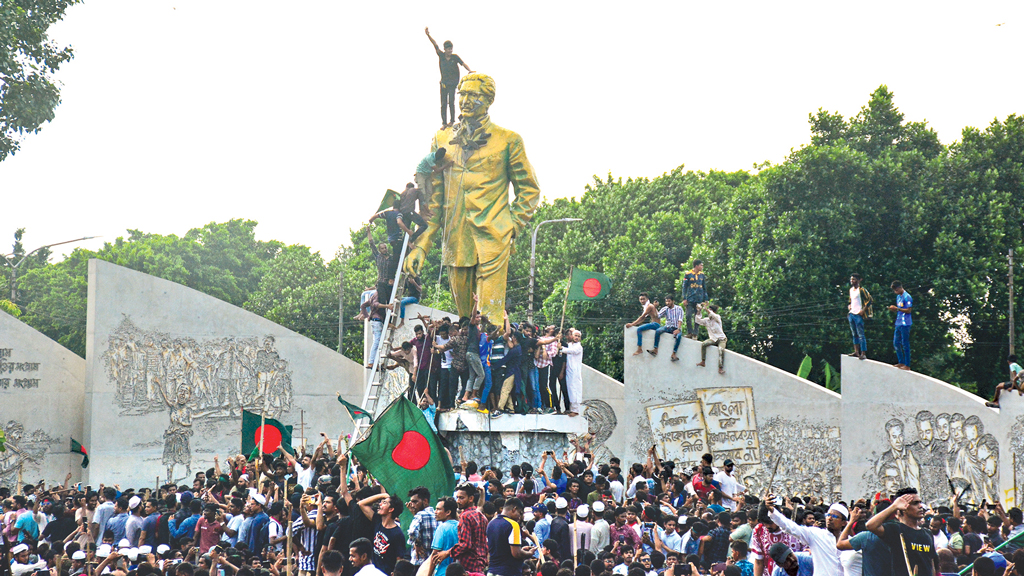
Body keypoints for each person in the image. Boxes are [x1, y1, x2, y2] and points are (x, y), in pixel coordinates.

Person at [404, 73, 542, 321]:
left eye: (474, 95)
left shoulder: (508, 140)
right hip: (456, 240)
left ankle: (492, 354)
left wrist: (511, 226)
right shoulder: (442, 139)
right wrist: (421, 247)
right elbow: (433, 200)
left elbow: (529, 190)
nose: (466, 100)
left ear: (489, 100)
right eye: (462, 94)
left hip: (493, 238)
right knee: (466, 320)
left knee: (489, 319)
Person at [765, 494, 847, 576]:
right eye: (828, 515)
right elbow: (792, 528)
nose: (829, 518)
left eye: (834, 516)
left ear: (844, 522)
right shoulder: (816, 535)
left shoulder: (849, 543)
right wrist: (773, 512)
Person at [864, 489, 939, 576]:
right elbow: (870, 525)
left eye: (920, 502)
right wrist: (894, 506)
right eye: (915, 503)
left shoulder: (927, 533)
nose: (920, 506)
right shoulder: (895, 529)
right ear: (903, 507)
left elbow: (931, 564)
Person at [424, 28, 473, 128]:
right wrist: (428, 35)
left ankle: (452, 121)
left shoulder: (455, 57)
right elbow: (435, 44)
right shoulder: (441, 55)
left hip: (453, 83)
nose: (450, 51)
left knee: (451, 102)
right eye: (448, 49)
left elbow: (463, 64)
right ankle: (444, 123)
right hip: (444, 83)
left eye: (451, 49)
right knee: (443, 103)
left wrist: (470, 70)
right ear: (445, 49)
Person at [438, 484, 487, 574]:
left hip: (469, 564)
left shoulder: (465, 516)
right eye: (457, 498)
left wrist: (447, 553)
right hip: (480, 564)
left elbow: (465, 544)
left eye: (461, 498)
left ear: (471, 498)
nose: (458, 501)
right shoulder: (481, 515)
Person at [357, 492, 407, 574]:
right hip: (373, 571)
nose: (380, 504)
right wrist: (383, 495)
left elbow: (399, 559)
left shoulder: (397, 534)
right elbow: (361, 504)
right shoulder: (378, 521)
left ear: (391, 509)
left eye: (384, 503)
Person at [488, 498, 538, 576]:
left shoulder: (491, 523)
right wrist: (529, 553)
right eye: (520, 513)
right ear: (514, 509)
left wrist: (521, 550)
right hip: (508, 571)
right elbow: (516, 553)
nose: (520, 517)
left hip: (491, 571)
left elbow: (500, 549)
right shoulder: (513, 525)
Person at [648, 294, 685, 361]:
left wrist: (678, 329)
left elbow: (680, 320)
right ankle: (655, 349)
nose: (667, 303)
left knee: (678, 337)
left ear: (673, 301)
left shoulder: (679, 308)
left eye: (669, 301)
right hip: (668, 327)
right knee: (658, 331)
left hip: (676, 327)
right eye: (666, 301)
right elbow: (657, 316)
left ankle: (674, 354)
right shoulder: (665, 309)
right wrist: (655, 307)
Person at [406, 487, 436, 567]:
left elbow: (412, 532)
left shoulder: (420, 515)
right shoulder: (437, 514)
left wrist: (417, 543)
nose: (412, 505)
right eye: (411, 502)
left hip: (419, 561)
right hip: (433, 562)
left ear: (425, 501)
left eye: (415, 502)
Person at [694, 303, 727, 374]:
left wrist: (706, 309)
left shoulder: (717, 317)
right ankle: (703, 361)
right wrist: (699, 311)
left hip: (721, 339)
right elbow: (698, 321)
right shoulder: (707, 320)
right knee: (704, 344)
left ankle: (720, 368)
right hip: (713, 339)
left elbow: (713, 315)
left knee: (721, 350)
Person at [626, 293, 662, 357]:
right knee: (640, 328)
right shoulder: (648, 306)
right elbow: (642, 319)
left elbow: (642, 317)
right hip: (655, 324)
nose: (642, 301)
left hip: (655, 324)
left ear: (647, 299)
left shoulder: (650, 306)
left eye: (643, 299)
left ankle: (639, 349)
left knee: (639, 329)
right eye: (641, 299)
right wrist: (634, 324)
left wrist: (632, 324)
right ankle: (639, 349)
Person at [888, 281, 913, 370]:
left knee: (905, 343)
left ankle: (907, 364)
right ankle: (900, 361)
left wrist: (897, 308)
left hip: (905, 323)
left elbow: (909, 310)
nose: (895, 292)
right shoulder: (898, 297)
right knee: (896, 343)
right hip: (898, 322)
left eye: (896, 290)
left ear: (899, 288)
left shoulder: (907, 297)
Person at [682, 260, 709, 340]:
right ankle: (689, 332)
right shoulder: (688, 274)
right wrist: (684, 298)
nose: (702, 267)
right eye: (701, 265)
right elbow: (684, 287)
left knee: (697, 317)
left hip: (699, 299)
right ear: (696, 266)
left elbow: (704, 287)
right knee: (688, 315)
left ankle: (695, 334)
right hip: (690, 299)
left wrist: (706, 299)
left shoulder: (702, 275)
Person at [848, 274, 872, 360]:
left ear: (859, 280)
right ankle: (856, 352)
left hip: (858, 314)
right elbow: (850, 300)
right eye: (851, 279)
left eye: (854, 279)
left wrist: (863, 310)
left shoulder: (861, 290)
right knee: (854, 334)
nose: (852, 281)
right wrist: (849, 306)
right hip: (852, 313)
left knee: (861, 334)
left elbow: (870, 300)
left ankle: (863, 353)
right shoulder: (851, 290)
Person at [563, 329, 584, 417]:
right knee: (570, 389)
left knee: (575, 389)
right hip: (569, 370)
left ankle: (576, 410)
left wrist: (561, 349)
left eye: (578, 336)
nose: (576, 338)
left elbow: (571, 351)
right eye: (575, 336)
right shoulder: (570, 345)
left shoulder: (578, 347)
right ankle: (572, 409)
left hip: (575, 371)